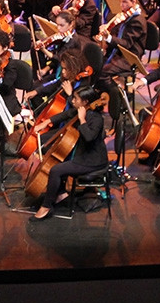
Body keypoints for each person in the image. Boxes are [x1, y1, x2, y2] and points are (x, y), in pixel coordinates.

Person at [27, 85, 108, 220]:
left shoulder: (96, 118)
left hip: (92, 160)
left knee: (55, 170)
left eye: (76, 99)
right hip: (81, 155)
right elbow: (65, 114)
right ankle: (60, 194)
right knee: (58, 159)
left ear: (85, 102)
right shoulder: (80, 110)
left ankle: (46, 207)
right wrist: (45, 122)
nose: (73, 101)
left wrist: (82, 120)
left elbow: (89, 137)